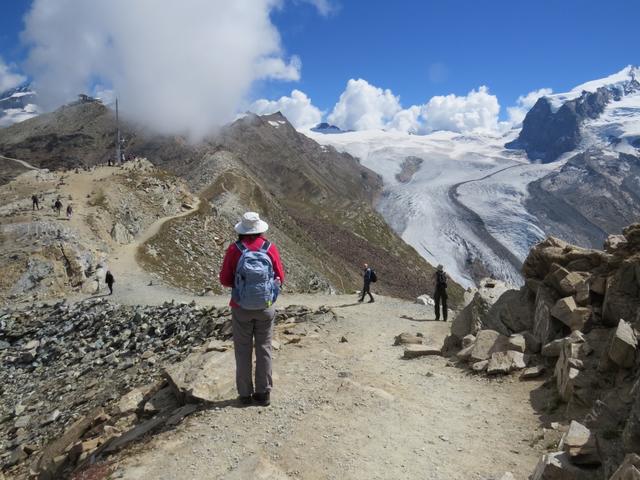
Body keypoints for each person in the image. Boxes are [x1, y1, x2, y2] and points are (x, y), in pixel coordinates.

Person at [219, 212, 285, 407]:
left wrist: (242, 287)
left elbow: (224, 279)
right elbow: (280, 277)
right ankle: (263, 393)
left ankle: (245, 395)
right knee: (264, 348)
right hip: (265, 307)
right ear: (260, 229)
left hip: (241, 307)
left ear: (241, 230)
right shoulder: (269, 248)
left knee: (242, 350)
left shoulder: (234, 249)